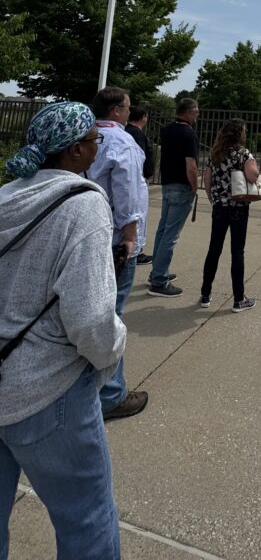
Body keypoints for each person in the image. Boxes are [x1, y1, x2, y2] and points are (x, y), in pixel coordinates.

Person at [0, 102, 126, 560]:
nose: (100, 146)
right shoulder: (84, 203)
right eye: (95, 140)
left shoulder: (6, 195)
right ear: (74, 151)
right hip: (47, 392)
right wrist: (111, 357)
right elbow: (92, 318)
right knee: (86, 519)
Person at [88, 85, 149, 420]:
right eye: (126, 107)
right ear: (116, 110)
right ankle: (111, 394)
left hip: (84, 235)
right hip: (114, 240)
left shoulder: (84, 136)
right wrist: (130, 236)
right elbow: (126, 191)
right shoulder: (121, 140)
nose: (129, 112)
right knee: (111, 316)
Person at [201, 118, 260, 313]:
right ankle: (238, 298)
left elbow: (207, 178)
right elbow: (253, 176)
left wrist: (212, 198)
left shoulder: (216, 153)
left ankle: (205, 293)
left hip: (220, 207)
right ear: (239, 134)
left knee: (214, 250)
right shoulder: (244, 153)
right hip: (238, 206)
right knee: (237, 252)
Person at [147, 98, 199, 299]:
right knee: (171, 234)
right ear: (190, 112)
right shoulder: (188, 133)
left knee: (163, 229)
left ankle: (157, 271)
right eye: (196, 112)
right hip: (181, 185)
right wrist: (194, 187)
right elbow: (191, 165)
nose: (197, 115)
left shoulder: (167, 130)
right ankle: (159, 279)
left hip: (168, 183)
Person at [125, 103, 155, 265]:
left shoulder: (129, 132)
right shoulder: (136, 134)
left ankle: (137, 249)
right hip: (139, 179)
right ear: (143, 117)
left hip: (137, 178)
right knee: (138, 216)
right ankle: (136, 250)